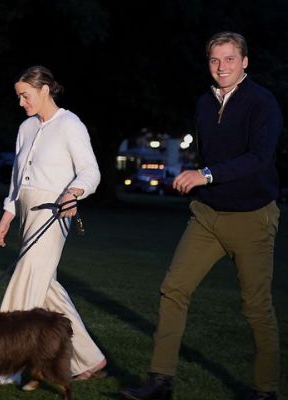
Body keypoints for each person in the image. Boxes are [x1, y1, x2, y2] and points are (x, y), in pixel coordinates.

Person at [121, 32, 282, 400]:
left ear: (244, 62)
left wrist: (205, 175)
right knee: (173, 289)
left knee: (256, 307)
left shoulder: (263, 103)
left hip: (252, 217)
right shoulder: (204, 104)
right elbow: (209, 152)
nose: (221, 66)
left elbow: (259, 159)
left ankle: (266, 391)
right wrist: (199, 178)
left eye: (229, 59)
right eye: (214, 60)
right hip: (207, 215)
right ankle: (160, 381)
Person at [0, 65, 106, 385]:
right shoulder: (26, 128)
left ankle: (1, 365)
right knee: (47, 288)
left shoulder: (71, 125)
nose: (21, 102)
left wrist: (73, 192)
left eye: (25, 95)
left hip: (54, 213)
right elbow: (17, 179)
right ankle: (88, 358)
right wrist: (7, 215)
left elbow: (91, 172)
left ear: (45, 90)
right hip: (26, 212)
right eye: (18, 97)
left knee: (26, 278)